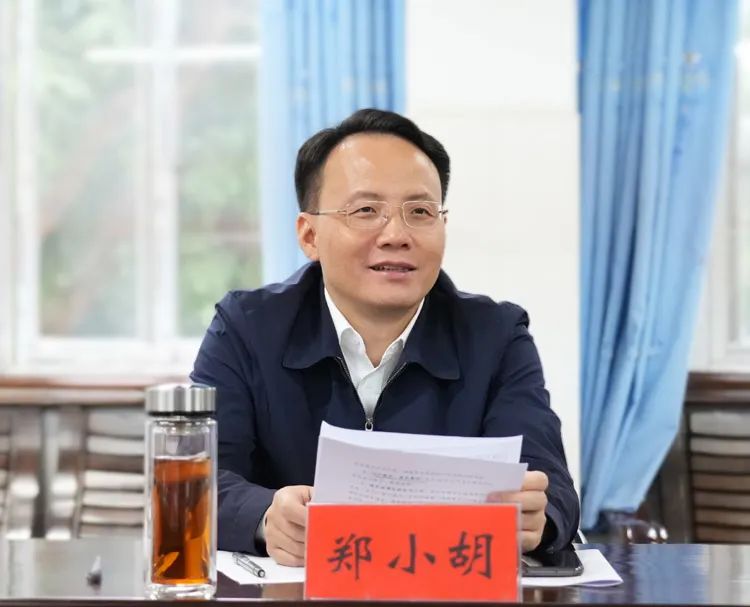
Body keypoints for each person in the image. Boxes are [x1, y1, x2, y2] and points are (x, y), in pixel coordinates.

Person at [190, 108, 579, 567]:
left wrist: (538, 517)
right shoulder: (247, 328)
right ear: (310, 235)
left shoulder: (495, 336)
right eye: (366, 211)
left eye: (420, 212)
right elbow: (198, 480)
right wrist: (264, 517)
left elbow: (549, 481)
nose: (396, 235)